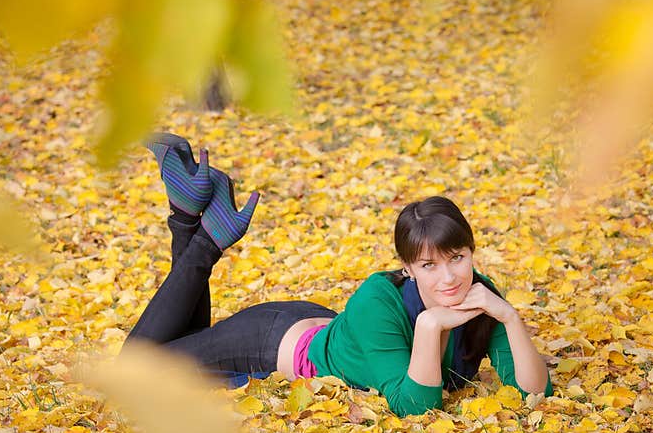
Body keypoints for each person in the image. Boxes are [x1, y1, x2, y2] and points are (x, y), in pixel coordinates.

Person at [124, 133, 553, 418]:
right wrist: (428, 324)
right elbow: (416, 408)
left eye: (457, 258)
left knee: (177, 348)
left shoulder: (479, 294)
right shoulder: (378, 299)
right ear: (407, 268)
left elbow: (533, 393)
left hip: (330, 326)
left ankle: (188, 212)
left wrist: (511, 318)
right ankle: (202, 238)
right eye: (428, 265)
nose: (449, 278)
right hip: (269, 343)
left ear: (471, 252)